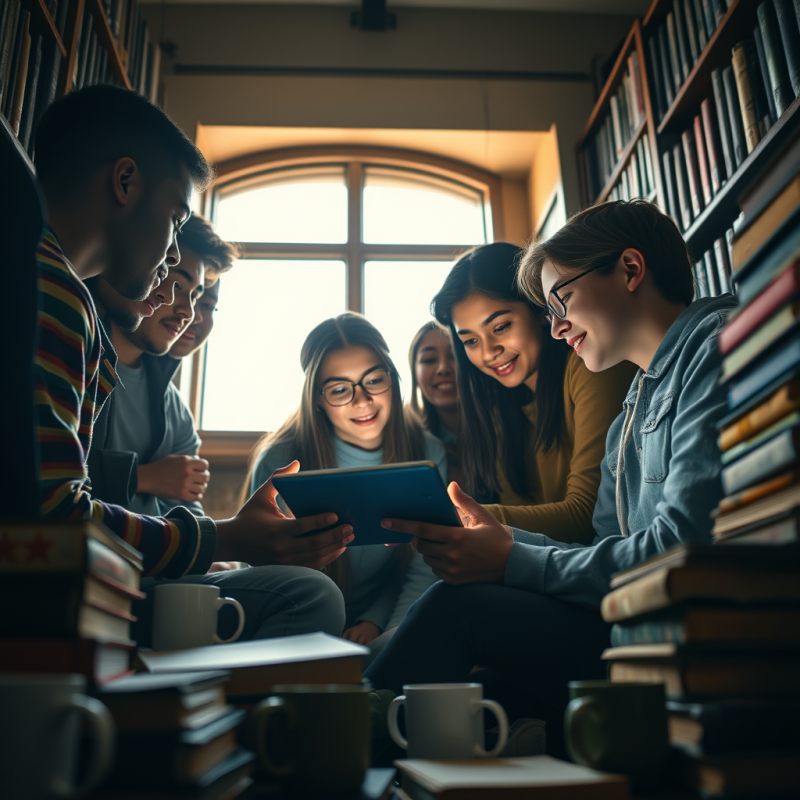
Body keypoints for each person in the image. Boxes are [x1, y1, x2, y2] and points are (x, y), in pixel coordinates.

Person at [365, 200, 737, 748]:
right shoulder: (633, 406)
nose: (557, 324)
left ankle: (335, 740)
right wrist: (505, 541)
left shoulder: (714, 347)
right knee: (474, 691)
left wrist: (511, 558)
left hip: (685, 636)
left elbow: (682, 548)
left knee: (458, 610)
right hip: (628, 626)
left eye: (560, 297)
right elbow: (598, 543)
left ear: (630, 271)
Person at [33, 85, 349, 638]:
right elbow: (55, 521)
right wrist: (223, 538)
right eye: (177, 218)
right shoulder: (54, 295)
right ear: (124, 181)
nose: (176, 253)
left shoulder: (45, 279)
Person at [246, 313, 447, 655]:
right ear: (317, 400)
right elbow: (269, 576)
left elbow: (421, 568)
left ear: (393, 379)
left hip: (386, 622)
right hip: (296, 620)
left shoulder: (428, 451)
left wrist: (380, 625)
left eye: (373, 380)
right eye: (340, 389)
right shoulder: (280, 460)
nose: (362, 400)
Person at [431, 242, 637, 541]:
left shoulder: (591, 366)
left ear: (541, 310)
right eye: (471, 341)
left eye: (500, 327)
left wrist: (463, 516)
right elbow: (521, 526)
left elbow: (586, 515)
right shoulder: (497, 403)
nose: (489, 352)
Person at [86, 214, 237, 517]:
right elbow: (44, 475)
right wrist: (143, 477)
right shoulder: (81, 360)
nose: (188, 312)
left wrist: (208, 555)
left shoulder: (176, 411)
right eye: (177, 283)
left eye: (198, 298)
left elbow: (189, 510)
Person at [406, 321, 463, 485]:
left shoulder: (507, 431)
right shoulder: (410, 440)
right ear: (414, 374)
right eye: (429, 359)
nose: (443, 368)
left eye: (455, 356)